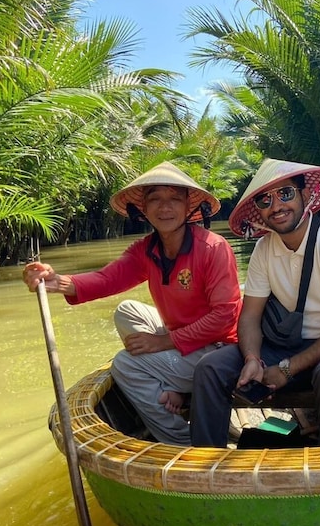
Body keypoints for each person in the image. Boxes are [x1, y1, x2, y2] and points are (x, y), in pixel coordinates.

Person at [22, 162, 242, 445]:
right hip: (182, 340)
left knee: (126, 365)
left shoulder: (213, 248)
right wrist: (57, 282)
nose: (165, 208)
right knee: (127, 310)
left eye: (174, 198)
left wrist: (163, 343)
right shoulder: (146, 250)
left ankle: (181, 440)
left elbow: (225, 317)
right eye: (155, 199)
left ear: (189, 206)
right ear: (144, 209)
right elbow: (107, 279)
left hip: (219, 350)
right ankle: (174, 388)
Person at [190, 159, 320, 447]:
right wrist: (252, 359)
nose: (277, 206)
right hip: (290, 345)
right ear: (259, 211)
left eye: (286, 194)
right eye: (265, 199)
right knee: (210, 368)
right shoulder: (263, 250)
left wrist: (286, 369)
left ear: (306, 196)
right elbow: (250, 317)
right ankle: (206, 469)